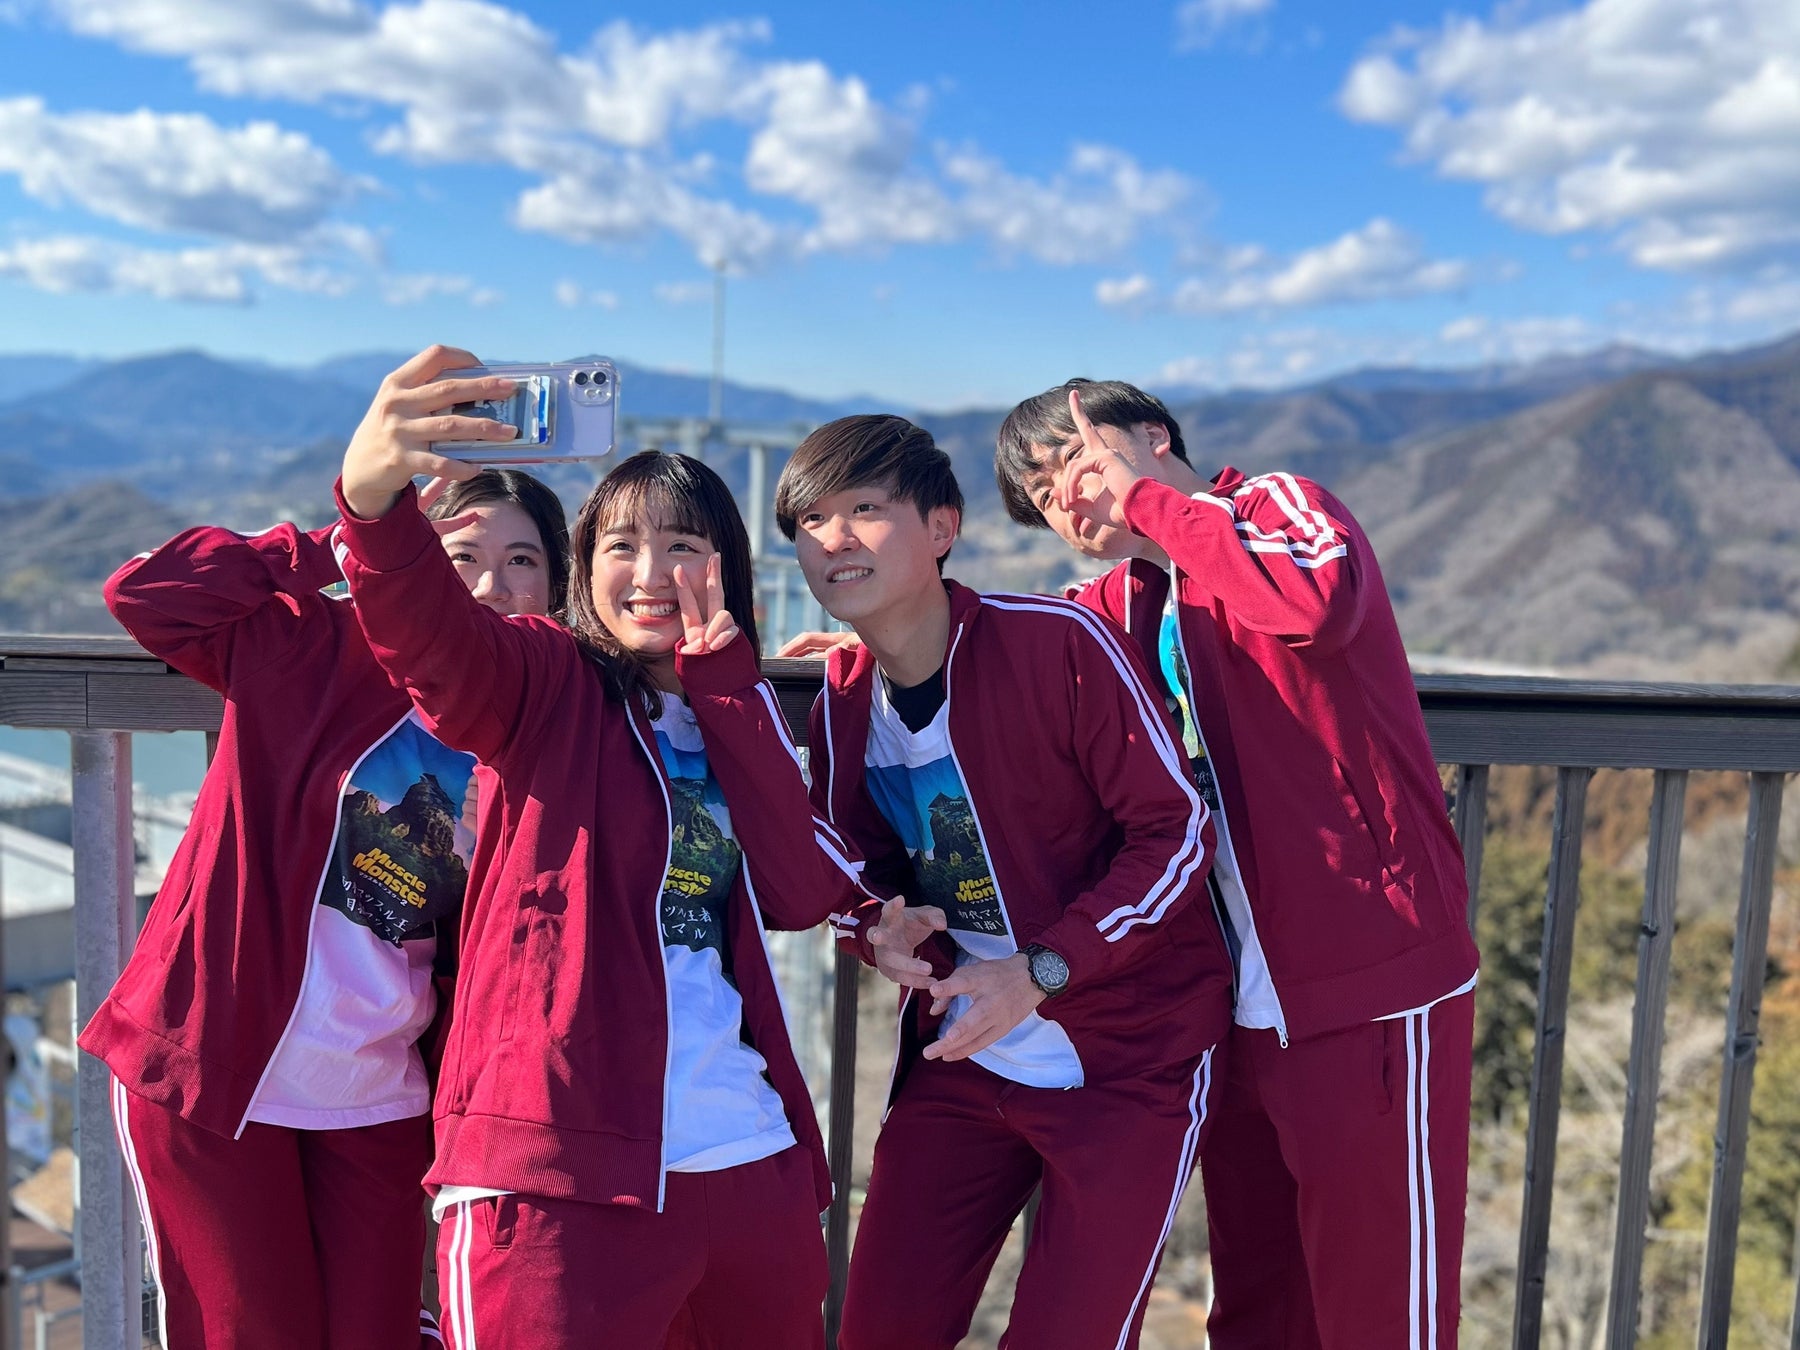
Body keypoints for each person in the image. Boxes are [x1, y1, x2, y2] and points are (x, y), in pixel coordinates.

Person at [333, 345, 856, 1350]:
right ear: (584, 567)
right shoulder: (547, 682)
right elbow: (432, 642)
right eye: (621, 546)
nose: (651, 575)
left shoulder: (735, 708)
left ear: (727, 568)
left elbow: (799, 892)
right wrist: (372, 502)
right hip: (556, 1170)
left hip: (747, 1160)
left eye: (683, 545)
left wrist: (730, 686)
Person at [994, 378, 1480, 1349]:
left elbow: (1314, 605)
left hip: (1369, 975)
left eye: (1079, 461)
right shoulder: (1120, 605)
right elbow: (999, 654)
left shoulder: (1275, 510)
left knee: (1382, 1308)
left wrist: (1149, 502)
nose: (1070, 498)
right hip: (1241, 1000)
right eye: (1045, 496)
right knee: (1259, 1305)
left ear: (1153, 437)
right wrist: (877, 650)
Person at [79, 464, 569, 1349]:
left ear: (555, 590)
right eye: (459, 555)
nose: (490, 584)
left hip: (382, 1091)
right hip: (219, 1068)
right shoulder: (313, 644)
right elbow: (144, 593)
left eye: (521, 560)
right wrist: (340, 542)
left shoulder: (545, 726)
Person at [772, 414, 1233, 1350]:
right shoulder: (845, 702)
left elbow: (1178, 832)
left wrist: (1041, 970)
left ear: (942, 527)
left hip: (1129, 1059)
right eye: (811, 521)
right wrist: (876, 933)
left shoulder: (1057, 646)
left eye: (866, 509)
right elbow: (862, 879)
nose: (836, 539)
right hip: (965, 1054)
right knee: (879, 1331)